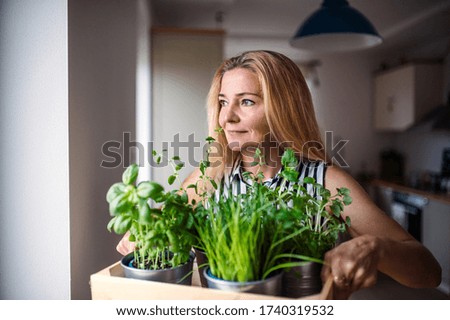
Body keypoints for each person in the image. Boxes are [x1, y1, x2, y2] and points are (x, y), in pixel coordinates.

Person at [117, 50, 441, 299]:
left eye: (246, 101)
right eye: (221, 102)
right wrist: (147, 230)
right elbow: (161, 228)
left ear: (283, 109)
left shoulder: (326, 182)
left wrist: (377, 248)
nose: (226, 116)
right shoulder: (209, 179)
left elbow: (429, 273)